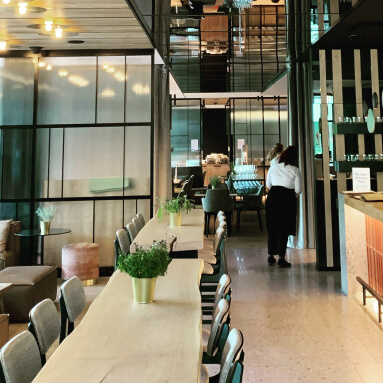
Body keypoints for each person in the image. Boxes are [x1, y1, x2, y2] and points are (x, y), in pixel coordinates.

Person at [265, 146, 302, 268]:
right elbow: (298, 189)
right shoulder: (295, 170)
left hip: (273, 196)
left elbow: (268, 185)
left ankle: (271, 256)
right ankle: (281, 257)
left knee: (272, 226)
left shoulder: (273, 167)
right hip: (287, 198)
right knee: (284, 228)